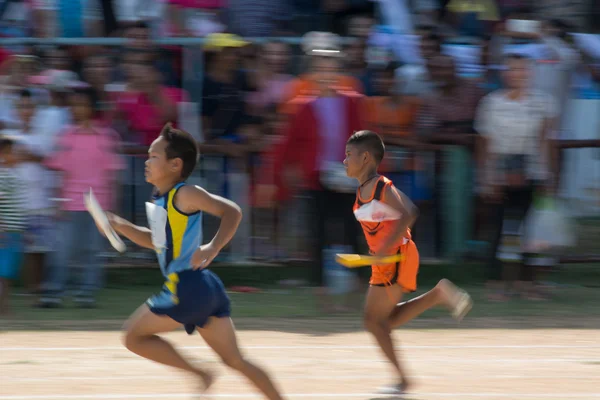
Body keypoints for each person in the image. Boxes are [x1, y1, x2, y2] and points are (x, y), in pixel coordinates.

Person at [97, 123, 286, 400]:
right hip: (205, 286)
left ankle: (201, 374)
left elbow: (231, 212)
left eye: (153, 156)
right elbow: (156, 242)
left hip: (185, 285)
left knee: (133, 337)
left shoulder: (184, 193)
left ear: (175, 164)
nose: (146, 162)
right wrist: (118, 223)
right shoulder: (162, 199)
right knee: (236, 361)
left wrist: (213, 245)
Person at [343, 130, 473, 395]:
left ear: (365, 157)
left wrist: (387, 248)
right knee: (378, 322)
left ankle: (403, 380)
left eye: (348, 155)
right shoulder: (364, 189)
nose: (344, 161)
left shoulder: (381, 186)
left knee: (374, 321)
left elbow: (409, 213)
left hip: (397, 257)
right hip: (386, 260)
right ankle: (438, 294)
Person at [0, 137, 26, 316]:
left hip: (13, 231)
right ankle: (3, 308)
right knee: (3, 274)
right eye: (13, 152)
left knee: (6, 274)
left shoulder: (12, 174)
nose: (18, 156)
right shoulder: (4, 175)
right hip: (6, 231)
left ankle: (5, 307)